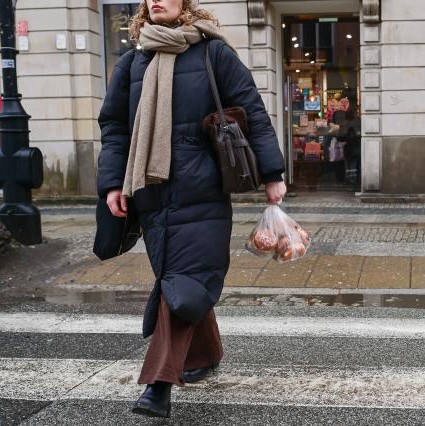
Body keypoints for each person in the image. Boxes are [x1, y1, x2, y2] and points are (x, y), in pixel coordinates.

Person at [97, 0, 286, 418]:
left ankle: (159, 385)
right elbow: (114, 126)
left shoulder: (212, 52)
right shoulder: (133, 62)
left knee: (181, 282)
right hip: (149, 191)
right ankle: (205, 353)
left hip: (203, 187)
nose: (155, 0)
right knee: (179, 278)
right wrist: (112, 181)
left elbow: (251, 108)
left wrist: (272, 173)